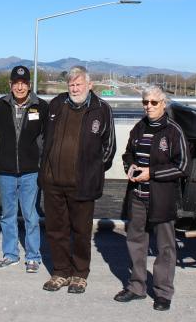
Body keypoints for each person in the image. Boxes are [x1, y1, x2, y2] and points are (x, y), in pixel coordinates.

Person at [39, 66, 116, 294]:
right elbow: (45, 138)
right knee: (56, 230)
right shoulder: (56, 104)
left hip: (82, 183)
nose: (74, 88)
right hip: (53, 181)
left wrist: (92, 170)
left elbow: (109, 148)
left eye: (79, 84)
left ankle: (80, 274)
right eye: (71, 84)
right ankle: (61, 271)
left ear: (89, 85)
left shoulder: (102, 109)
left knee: (81, 231)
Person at [113, 85, 189, 311]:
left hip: (162, 198)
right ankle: (137, 287)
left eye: (154, 102)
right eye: (145, 102)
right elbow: (128, 153)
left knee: (165, 247)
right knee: (136, 242)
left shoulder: (174, 131)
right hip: (138, 196)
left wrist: (152, 173)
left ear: (163, 104)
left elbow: (183, 166)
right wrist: (130, 165)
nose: (149, 106)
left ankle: (163, 293)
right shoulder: (139, 128)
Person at [0, 65, 48, 273]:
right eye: (16, 83)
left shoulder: (41, 106)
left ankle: (33, 257)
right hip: (5, 171)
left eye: (24, 83)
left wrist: (43, 162)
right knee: (8, 215)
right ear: (11, 85)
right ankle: (10, 254)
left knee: (31, 215)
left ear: (29, 85)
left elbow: (48, 138)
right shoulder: (1, 105)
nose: (20, 87)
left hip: (31, 171)